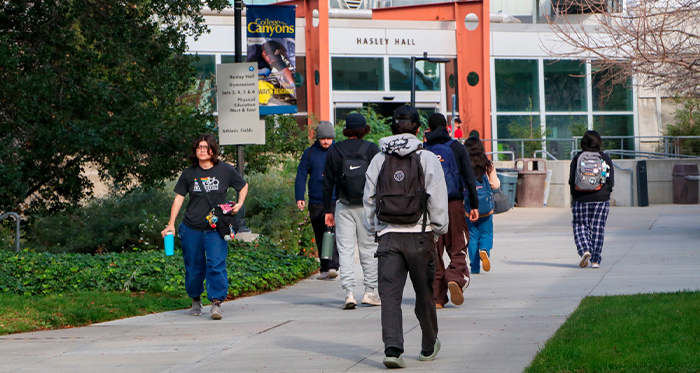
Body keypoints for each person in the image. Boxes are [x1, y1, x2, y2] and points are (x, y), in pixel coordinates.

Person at [364, 105, 449, 369]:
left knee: (390, 297)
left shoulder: (379, 159)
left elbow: (369, 198)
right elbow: (438, 199)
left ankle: (392, 349)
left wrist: (375, 228)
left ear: (391, 127)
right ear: (416, 128)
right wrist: (438, 228)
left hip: (388, 236)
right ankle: (427, 345)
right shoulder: (427, 158)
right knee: (424, 293)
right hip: (420, 236)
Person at [161, 134, 248, 320]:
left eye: (205, 147)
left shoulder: (224, 170)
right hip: (191, 228)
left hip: (215, 229)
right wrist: (171, 225)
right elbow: (178, 198)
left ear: (212, 150)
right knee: (193, 267)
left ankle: (216, 303)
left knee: (216, 264)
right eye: (199, 147)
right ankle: (195, 299)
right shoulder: (189, 174)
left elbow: (243, 185)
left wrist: (239, 204)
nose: (201, 150)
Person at [323, 113, 381, 309]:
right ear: (364, 129)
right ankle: (370, 292)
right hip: (367, 206)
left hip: (344, 205)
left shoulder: (335, 150)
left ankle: (349, 292)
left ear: (346, 129)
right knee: (369, 249)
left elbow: (327, 183)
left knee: (346, 250)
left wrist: (327, 210)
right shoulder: (372, 149)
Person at [424, 113, 479, 309]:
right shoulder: (456, 147)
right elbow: (469, 177)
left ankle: (437, 297)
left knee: (433, 251)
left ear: (429, 128)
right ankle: (455, 277)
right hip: (453, 203)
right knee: (458, 246)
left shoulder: (425, 149)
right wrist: (474, 205)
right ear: (447, 127)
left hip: (430, 207)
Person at [295, 121, 340, 279]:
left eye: (329, 138)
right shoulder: (309, 153)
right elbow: (301, 175)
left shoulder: (337, 150)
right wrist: (300, 196)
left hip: (334, 199)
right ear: (318, 138)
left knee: (332, 232)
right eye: (323, 138)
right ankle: (325, 267)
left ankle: (333, 265)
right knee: (320, 234)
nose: (326, 141)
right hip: (316, 200)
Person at [569, 130, 614, 269]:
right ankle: (596, 260)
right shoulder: (604, 158)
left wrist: (574, 197)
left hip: (581, 198)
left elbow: (572, 180)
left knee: (580, 225)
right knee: (598, 228)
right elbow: (609, 179)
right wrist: (607, 192)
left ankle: (585, 249)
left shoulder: (577, 158)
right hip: (601, 199)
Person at [463, 137, 500, 274]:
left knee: (472, 235)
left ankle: (475, 267)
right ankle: (484, 250)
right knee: (486, 232)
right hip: (486, 207)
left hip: (469, 207)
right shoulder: (488, 165)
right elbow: (495, 185)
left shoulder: (464, 164)